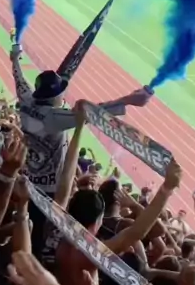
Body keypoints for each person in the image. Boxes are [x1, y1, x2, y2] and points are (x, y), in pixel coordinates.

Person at [10, 44, 152, 195]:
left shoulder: (26, 100)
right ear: (55, 96)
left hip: (32, 177)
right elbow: (90, 112)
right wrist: (128, 100)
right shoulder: (53, 118)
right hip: (51, 189)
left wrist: (15, 59)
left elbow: (19, 79)